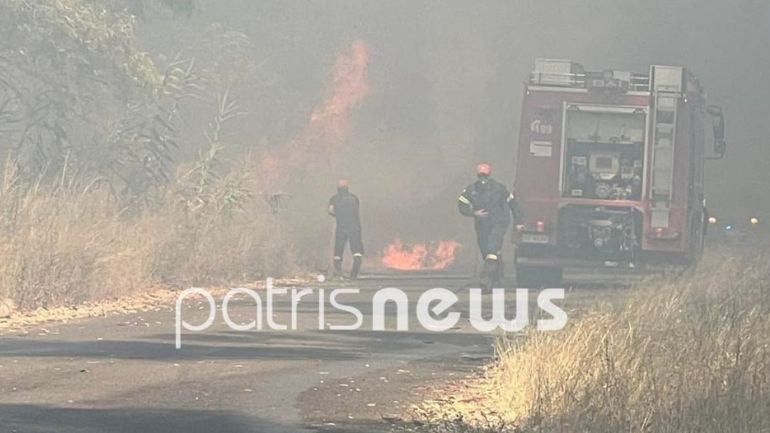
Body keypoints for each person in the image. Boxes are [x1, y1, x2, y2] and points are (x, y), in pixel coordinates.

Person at [457, 163, 522, 286]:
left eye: (485, 176)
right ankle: (497, 272)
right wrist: (473, 213)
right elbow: (461, 204)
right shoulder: (471, 190)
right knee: (486, 250)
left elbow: (513, 204)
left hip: (499, 222)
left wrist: (518, 222)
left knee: (492, 247)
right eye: (481, 176)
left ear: (489, 175)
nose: (483, 179)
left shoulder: (499, 189)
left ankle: (487, 279)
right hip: (482, 225)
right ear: (477, 175)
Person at [328, 179, 364, 279]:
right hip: (355, 228)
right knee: (357, 252)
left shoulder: (334, 198)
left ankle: (339, 274)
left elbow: (330, 211)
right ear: (347, 188)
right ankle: (354, 274)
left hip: (342, 228)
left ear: (338, 188)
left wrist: (338, 215)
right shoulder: (354, 198)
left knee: (338, 253)